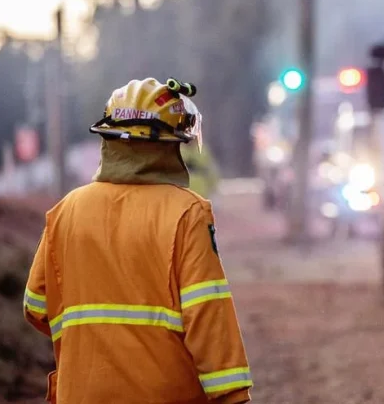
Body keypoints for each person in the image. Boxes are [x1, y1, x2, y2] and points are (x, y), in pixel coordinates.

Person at [23, 77, 252, 404]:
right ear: (170, 144)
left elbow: (36, 307)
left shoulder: (65, 211)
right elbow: (207, 314)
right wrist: (232, 395)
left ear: (109, 140)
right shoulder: (188, 212)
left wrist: (97, 343)